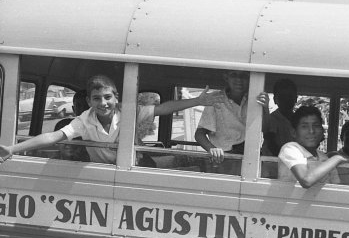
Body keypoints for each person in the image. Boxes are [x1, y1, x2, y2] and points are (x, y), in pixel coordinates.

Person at [0, 75, 221, 165]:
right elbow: (53, 136)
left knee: (182, 162)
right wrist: (13, 148)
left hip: (138, 165)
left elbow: (163, 109)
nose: (103, 103)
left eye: (108, 97)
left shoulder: (128, 111)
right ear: (88, 101)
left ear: (116, 97)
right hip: (104, 171)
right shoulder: (84, 120)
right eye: (97, 99)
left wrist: (197, 101)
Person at [278, 106, 347, 188]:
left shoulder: (323, 157)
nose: (311, 131)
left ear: (322, 131)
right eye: (304, 126)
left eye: (316, 125)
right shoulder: (290, 149)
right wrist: (337, 158)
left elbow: (337, 190)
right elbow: (306, 181)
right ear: (293, 132)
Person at [263, 78, 297, 157]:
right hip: (273, 161)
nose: (286, 99)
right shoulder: (272, 119)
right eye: (282, 96)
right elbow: (270, 143)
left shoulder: (299, 120)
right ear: (275, 99)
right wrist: (285, 159)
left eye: (290, 96)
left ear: (296, 98)